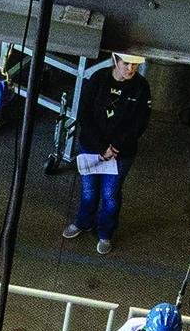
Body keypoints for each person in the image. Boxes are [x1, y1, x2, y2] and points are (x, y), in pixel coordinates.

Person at [60, 53, 151, 254]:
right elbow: (84, 114)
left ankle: (105, 233)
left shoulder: (141, 87)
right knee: (89, 190)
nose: (131, 69)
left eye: (134, 65)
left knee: (110, 194)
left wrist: (115, 147)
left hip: (120, 154)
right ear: (115, 61)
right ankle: (83, 223)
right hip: (92, 147)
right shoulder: (98, 79)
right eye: (126, 64)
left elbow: (139, 124)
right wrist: (102, 147)